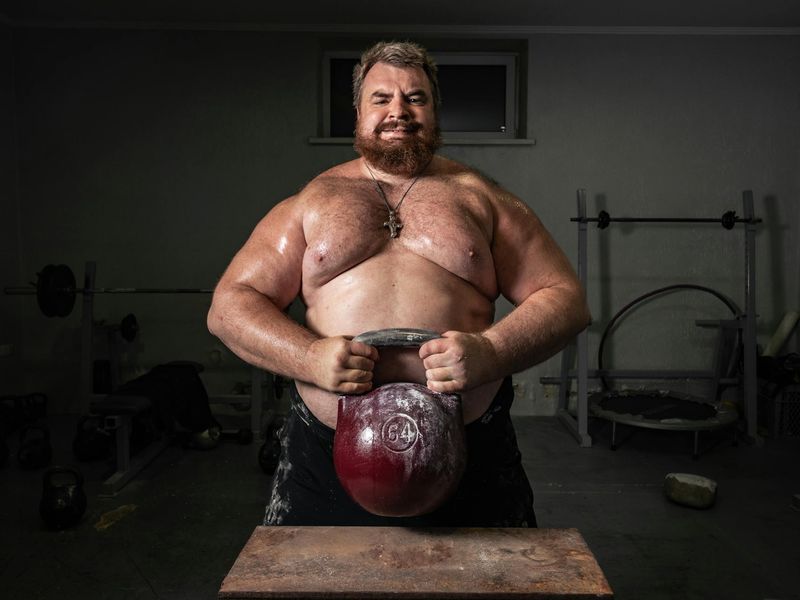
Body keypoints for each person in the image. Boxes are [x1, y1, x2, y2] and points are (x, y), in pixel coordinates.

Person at [207, 40, 590, 527]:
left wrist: (491, 351)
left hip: (471, 447)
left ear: (434, 112)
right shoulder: (312, 202)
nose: (399, 111)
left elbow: (565, 299)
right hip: (324, 453)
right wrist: (307, 357)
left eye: (416, 98)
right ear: (358, 114)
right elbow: (229, 305)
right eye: (381, 98)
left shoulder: (481, 199)